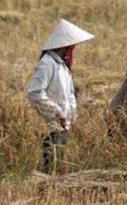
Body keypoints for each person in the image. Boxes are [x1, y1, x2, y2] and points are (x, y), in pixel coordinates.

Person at [27, 19, 94, 174]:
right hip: (52, 126)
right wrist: (57, 112)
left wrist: (71, 116)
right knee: (52, 167)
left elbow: (70, 95)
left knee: (60, 168)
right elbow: (34, 92)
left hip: (63, 126)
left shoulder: (62, 66)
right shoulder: (48, 63)